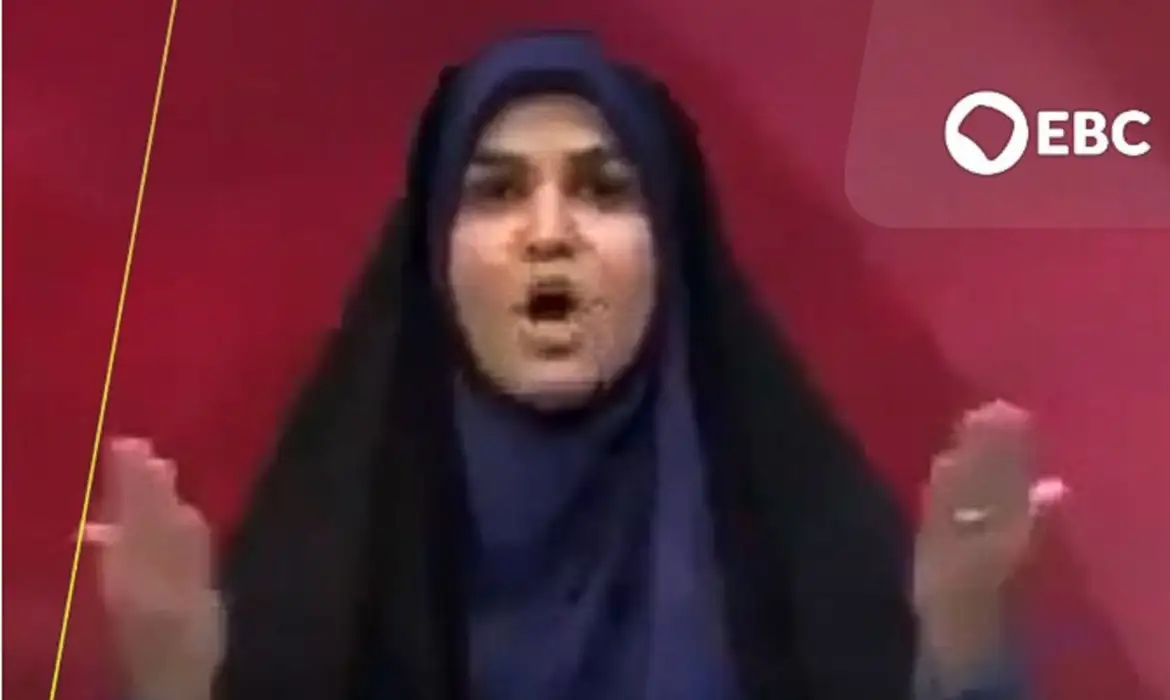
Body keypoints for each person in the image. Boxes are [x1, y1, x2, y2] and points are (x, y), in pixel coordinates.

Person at [86, 31, 1066, 700]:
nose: (548, 233)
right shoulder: (317, 600)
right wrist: (173, 682)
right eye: (496, 193)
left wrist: (965, 645)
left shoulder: (816, 580)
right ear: (434, 257)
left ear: (669, 249)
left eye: (602, 190)